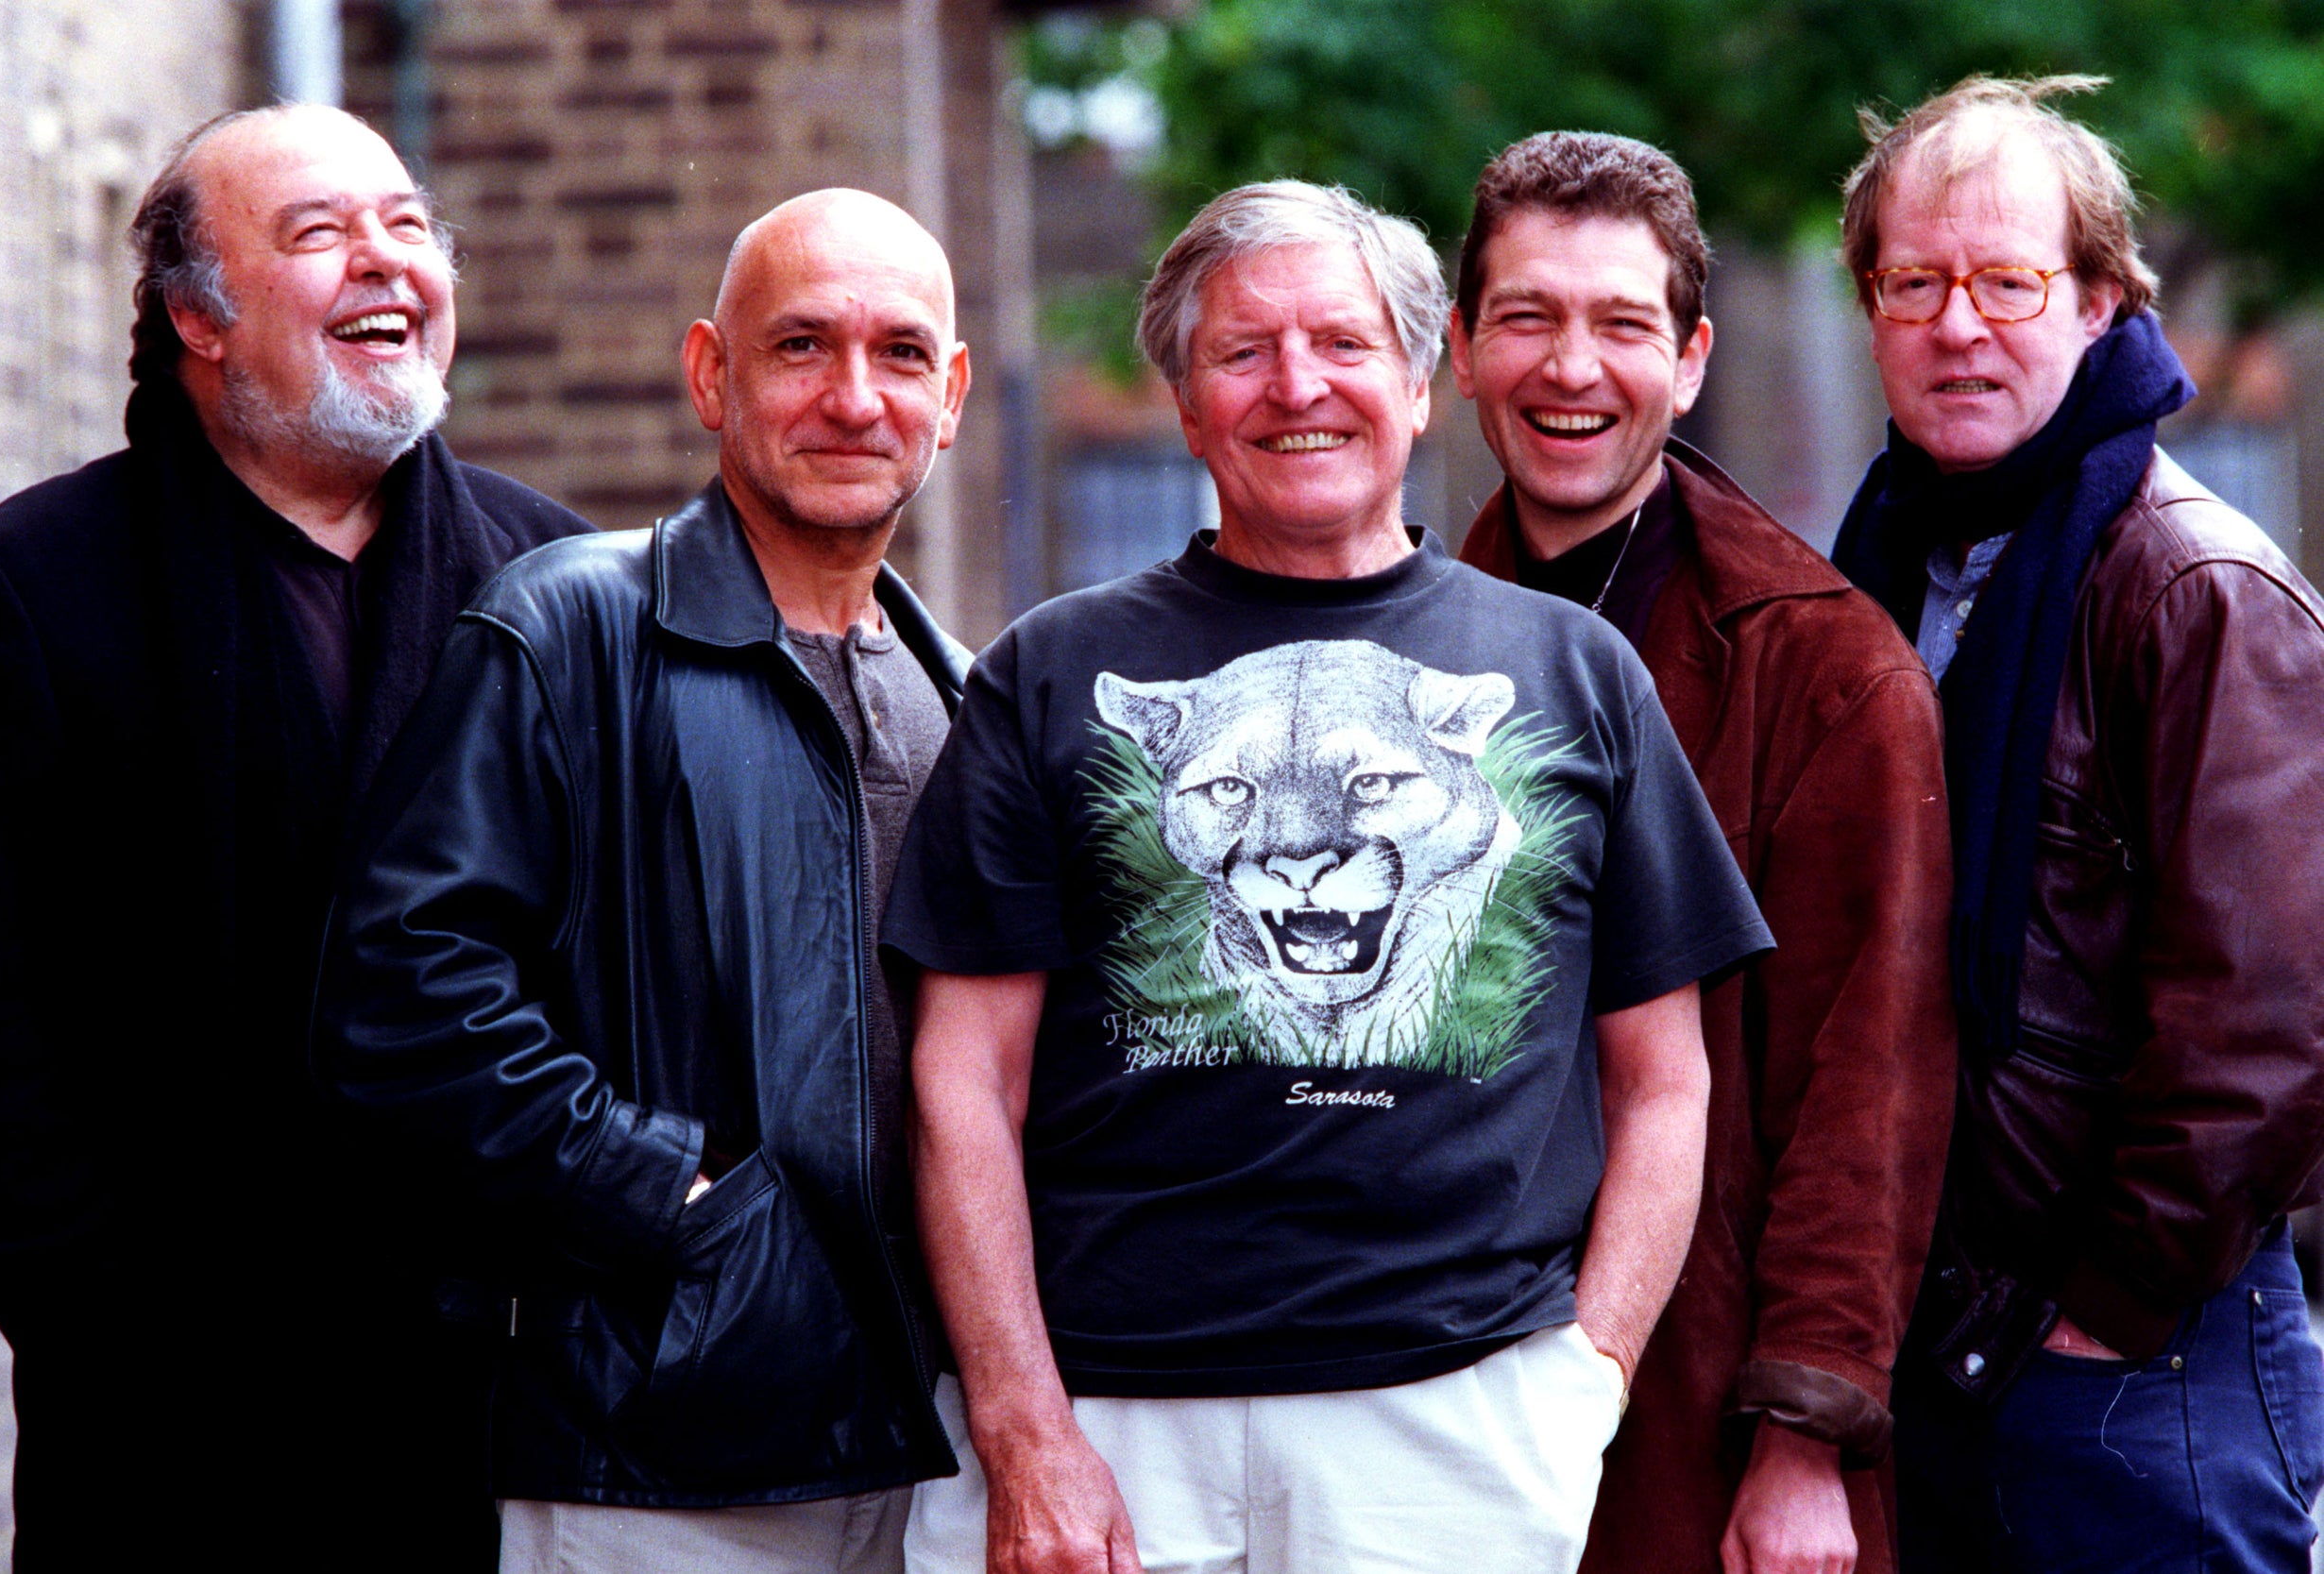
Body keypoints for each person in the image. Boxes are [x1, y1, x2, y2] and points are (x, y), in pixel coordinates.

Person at [886, 178, 1773, 1574]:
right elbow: (963, 1080)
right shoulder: (1050, 675)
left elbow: (1664, 1075)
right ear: (1186, 404)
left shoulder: (1567, 672)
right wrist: (1023, 1429)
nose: (1299, 386)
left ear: (1424, 381)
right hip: (1110, 1426)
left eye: (1346, 345)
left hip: (1453, 1429)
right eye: (1243, 353)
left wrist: (1580, 1385)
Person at [0, 104, 591, 1570]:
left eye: (408, 225)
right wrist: (88, 1288)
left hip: (493, 1391)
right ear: (199, 317)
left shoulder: (558, 575)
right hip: (165, 1411)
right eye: (319, 234)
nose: (387, 259)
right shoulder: (30, 587)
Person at [313, 188, 970, 1574]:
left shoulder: (969, 696)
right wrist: (679, 1200)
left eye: (901, 354)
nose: (855, 397)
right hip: (659, 1451)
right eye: (801, 348)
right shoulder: (568, 626)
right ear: (709, 376)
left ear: (953, 394)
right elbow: (403, 1003)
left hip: (939, 1450)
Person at [1828, 75, 2324, 1571]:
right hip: (1941, 1337)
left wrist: (2106, 1309)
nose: (1958, 325)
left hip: (2142, 1367)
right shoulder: (1893, 566)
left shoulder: (2193, 587)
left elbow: (2274, 1017)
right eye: (1916, 283)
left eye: (2007, 280)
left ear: (2103, 299)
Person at [1445, 131, 1956, 1574]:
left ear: (1688, 359)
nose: (1569, 368)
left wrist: (1806, 1436)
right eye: (1528, 317)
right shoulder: (1403, 644)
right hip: (1449, 1397)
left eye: (1619, 323)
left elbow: (1876, 1079)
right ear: (1465, 348)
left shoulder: (1823, 668)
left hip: (1709, 1412)